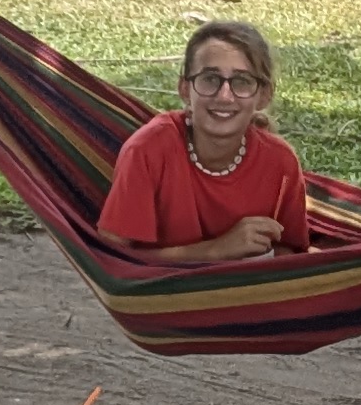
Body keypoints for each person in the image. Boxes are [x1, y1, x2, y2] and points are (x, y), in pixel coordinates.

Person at [96, 17, 311, 265]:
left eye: (242, 82)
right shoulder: (147, 151)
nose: (224, 96)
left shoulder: (279, 162)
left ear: (264, 95)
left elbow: (290, 253)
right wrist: (215, 250)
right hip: (162, 289)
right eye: (210, 79)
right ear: (185, 89)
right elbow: (110, 261)